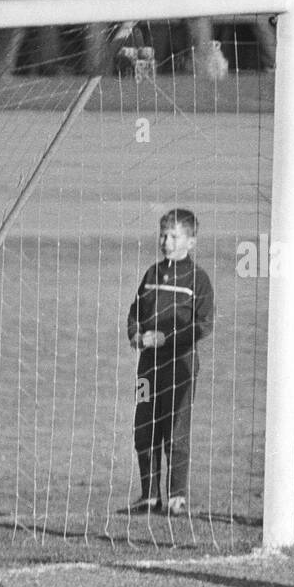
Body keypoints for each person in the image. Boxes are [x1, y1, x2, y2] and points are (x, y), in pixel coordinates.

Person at [126, 208, 214, 516]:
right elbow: (135, 312)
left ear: (191, 241)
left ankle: (177, 496)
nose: (166, 241)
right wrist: (135, 334)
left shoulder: (197, 279)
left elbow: (203, 325)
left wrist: (165, 339)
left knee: (175, 429)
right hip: (147, 369)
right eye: (163, 234)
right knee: (144, 425)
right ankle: (149, 495)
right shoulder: (151, 274)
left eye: (174, 236)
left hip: (180, 367)